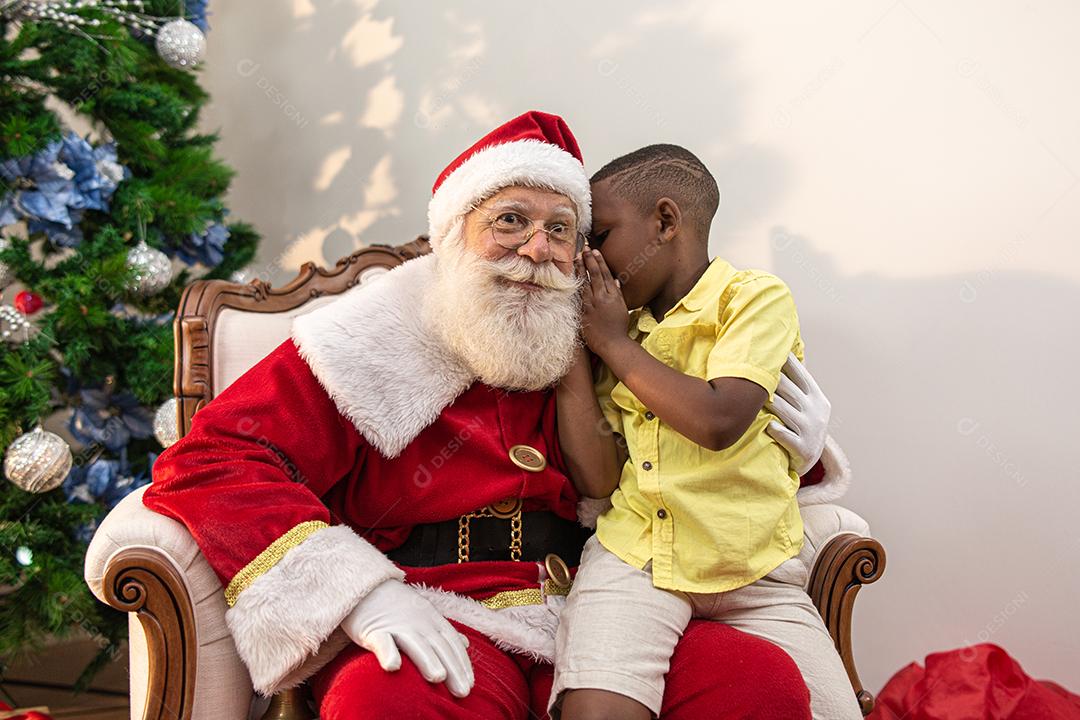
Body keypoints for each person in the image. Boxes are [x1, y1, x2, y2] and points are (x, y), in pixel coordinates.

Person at [140, 112, 841, 719]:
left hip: (612, 600)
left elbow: (694, 453)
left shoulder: (607, 329)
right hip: (441, 608)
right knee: (387, 704)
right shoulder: (369, 336)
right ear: (454, 235)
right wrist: (357, 597)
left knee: (756, 682)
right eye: (510, 220)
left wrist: (801, 455)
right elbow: (213, 458)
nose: (537, 249)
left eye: (560, 229)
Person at [550, 144, 862, 720]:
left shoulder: (753, 297)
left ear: (665, 222)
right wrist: (579, 351)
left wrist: (613, 345)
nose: (590, 257)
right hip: (635, 558)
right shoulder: (617, 325)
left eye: (603, 234)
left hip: (757, 569)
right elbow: (598, 479)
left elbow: (719, 422)